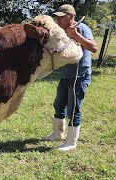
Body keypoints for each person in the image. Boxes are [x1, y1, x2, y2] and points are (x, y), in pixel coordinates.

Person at [42, 4, 98, 151]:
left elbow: (94, 48)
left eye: (61, 16)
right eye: (57, 16)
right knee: (59, 105)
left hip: (79, 76)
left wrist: (76, 35)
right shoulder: (62, 31)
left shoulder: (82, 28)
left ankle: (71, 143)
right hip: (66, 74)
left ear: (71, 17)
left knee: (73, 109)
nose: (58, 19)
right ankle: (57, 134)